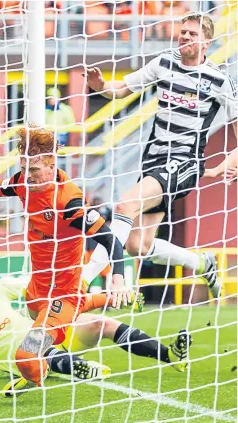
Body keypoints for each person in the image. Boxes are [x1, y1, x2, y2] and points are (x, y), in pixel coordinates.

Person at [0, 125, 131, 387]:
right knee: (36, 335)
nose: (26, 175)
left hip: (62, 294)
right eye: (23, 168)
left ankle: (51, 365)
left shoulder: (69, 202)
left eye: (32, 170)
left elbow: (110, 239)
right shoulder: (23, 183)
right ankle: (48, 356)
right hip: (38, 290)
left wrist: (118, 278)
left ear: (51, 167)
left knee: (27, 353)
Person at [83, 13, 237, 298]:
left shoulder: (218, 81)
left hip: (183, 163)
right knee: (137, 246)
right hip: (153, 161)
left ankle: (81, 282)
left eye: (192, 34)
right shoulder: (163, 63)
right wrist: (101, 87)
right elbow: (123, 89)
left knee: (125, 206)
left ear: (207, 42)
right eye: (183, 32)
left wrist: (228, 163)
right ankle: (202, 263)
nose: (185, 37)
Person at [0, 275, 191, 397]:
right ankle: (79, 368)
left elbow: (37, 291)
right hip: (31, 361)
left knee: (102, 323)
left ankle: (170, 355)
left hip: (49, 333)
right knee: (37, 346)